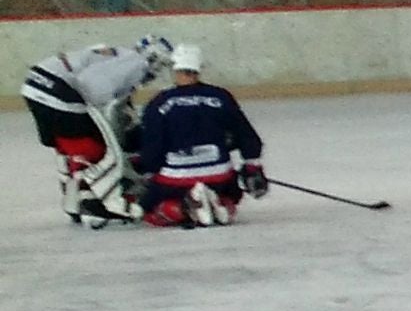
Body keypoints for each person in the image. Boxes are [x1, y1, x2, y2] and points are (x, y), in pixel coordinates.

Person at [25, 33, 168, 226]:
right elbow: (92, 87)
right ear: (152, 56)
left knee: (67, 146)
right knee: (98, 149)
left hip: (35, 86)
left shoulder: (121, 56)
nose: (159, 70)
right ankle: (103, 202)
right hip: (56, 91)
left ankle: (75, 198)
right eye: (161, 63)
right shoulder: (135, 62)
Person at [128, 45, 266, 228]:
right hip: (218, 175)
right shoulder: (221, 96)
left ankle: (185, 208)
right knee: (233, 193)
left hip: (175, 179)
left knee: (149, 209)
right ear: (198, 69)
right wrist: (252, 166)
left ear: (175, 69)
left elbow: (153, 145)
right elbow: (245, 134)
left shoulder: (160, 102)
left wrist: (147, 168)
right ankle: (222, 204)